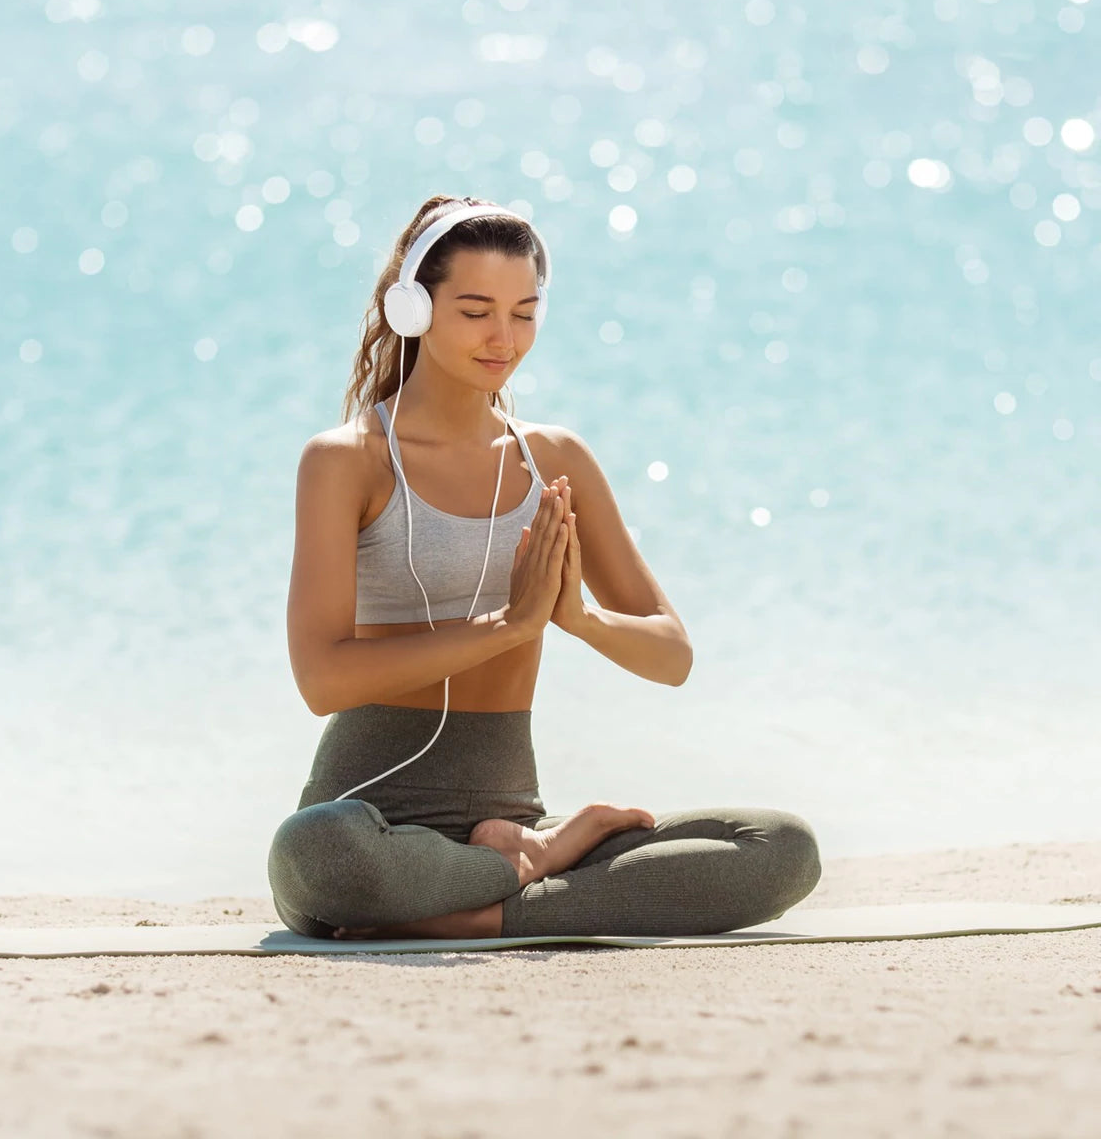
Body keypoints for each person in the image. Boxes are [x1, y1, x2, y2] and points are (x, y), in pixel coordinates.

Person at [267, 194, 822, 941]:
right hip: (367, 813)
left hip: (512, 814)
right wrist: (507, 627)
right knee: (317, 858)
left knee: (780, 849)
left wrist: (579, 619)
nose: (503, 337)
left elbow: (672, 655)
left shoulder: (553, 460)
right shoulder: (348, 461)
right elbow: (321, 680)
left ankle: (492, 887)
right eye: (474, 311)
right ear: (414, 308)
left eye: (524, 312)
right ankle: (525, 873)